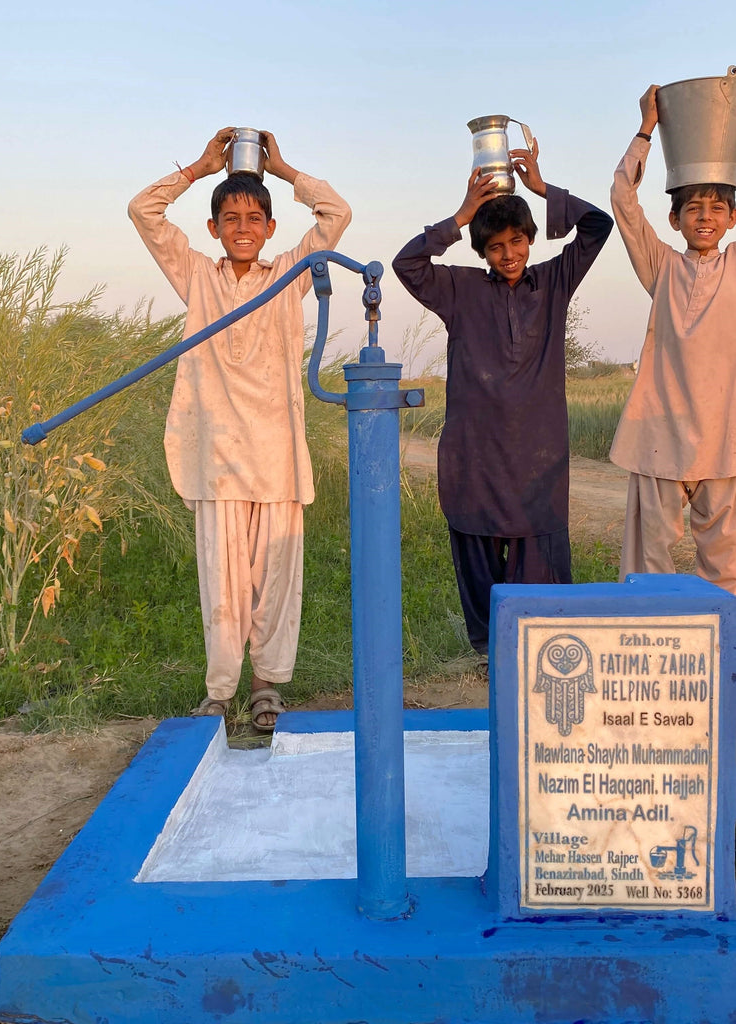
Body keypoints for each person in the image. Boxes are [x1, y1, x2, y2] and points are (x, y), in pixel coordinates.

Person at [128, 128, 351, 730]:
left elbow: (337, 213)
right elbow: (143, 211)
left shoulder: (291, 274)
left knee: (275, 581)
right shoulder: (198, 276)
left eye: (255, 217)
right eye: (230, 218)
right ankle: (219, 691)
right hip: (218, 458)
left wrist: (280, 170)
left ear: (272, 228)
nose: (243, 227)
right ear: (214, 228)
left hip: (277, 457)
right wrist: (201, 167)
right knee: (222, 585)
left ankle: (267, 687)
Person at [393, 141, 613, 659]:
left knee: (544, 600)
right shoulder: (460, 290)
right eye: (495, 246)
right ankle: (493, 662)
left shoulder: (555, 282)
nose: (509, 254)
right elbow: (408, 264)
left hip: (538, 463)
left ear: (532, 240)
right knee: (483, 582)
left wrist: (540, 187)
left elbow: (598, 226)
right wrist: (461, 216)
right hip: (476, 460)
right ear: (482, 252)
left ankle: (545, 669)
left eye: (517, 241)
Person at [610, 85, 736, 591]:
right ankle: (650, 656)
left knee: (727, 568)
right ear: (674, 219)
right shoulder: (661, 266)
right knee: (647, 566)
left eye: (717, 207)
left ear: (732, 219)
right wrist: (647, 129)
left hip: (725, 439)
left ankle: (724, 660)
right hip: (658, 435)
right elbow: (623, 199)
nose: (705, 216)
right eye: (693, 208)